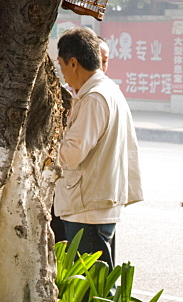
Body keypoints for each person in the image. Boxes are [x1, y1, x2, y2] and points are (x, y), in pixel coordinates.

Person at [54, 27, 143, 267]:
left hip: (87, 208)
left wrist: (47, 144)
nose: (62, 73)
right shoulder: (107, 90)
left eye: (61, 65)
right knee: (98, 283)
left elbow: (72, 154)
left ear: (73, 63)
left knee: (90, 289)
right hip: (95, 204)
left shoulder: (94, 97)